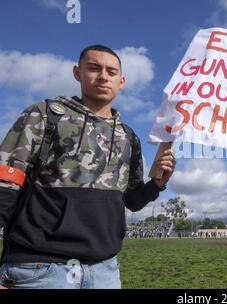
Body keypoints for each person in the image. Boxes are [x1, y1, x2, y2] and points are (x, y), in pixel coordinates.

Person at [0, 45, 175, 289]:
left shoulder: (128, 136)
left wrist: (157, 184)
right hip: (39, 270)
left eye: (111, 72)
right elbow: (5, 186)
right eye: (94, 68)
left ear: (121, 81)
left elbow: (132, 201)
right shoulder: (43, 116)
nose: (103, 76)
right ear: (77, 73)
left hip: (104, 270)